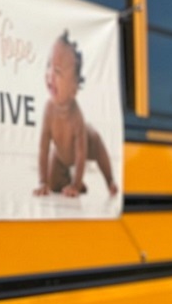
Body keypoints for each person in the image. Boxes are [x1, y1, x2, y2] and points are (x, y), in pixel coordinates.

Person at [33, 30, 119, 197]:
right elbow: (43, 149)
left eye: (57, 72)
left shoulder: (76, 116)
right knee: (53, 185)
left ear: (73, 90)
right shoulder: (48, 110)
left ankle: (109, 181)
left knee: (99, 148)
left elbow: (81, 155)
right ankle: (68, 180)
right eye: (49, 65)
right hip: (61, 155)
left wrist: (76, 185)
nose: (50, 74)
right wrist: (43, 182)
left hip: (89, 145)